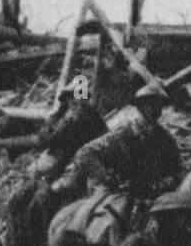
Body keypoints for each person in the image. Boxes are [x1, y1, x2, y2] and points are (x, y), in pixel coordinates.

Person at [52, 81, 181, 202]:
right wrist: (107, 178)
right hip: (119, 194)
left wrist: (164, 184)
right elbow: (85, 153)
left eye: (158, 105)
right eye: (150, 104)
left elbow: (176, 170)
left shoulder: (166, 139)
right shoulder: (123, 133)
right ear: (140, 106)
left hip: (154, 196)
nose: (155, 110)